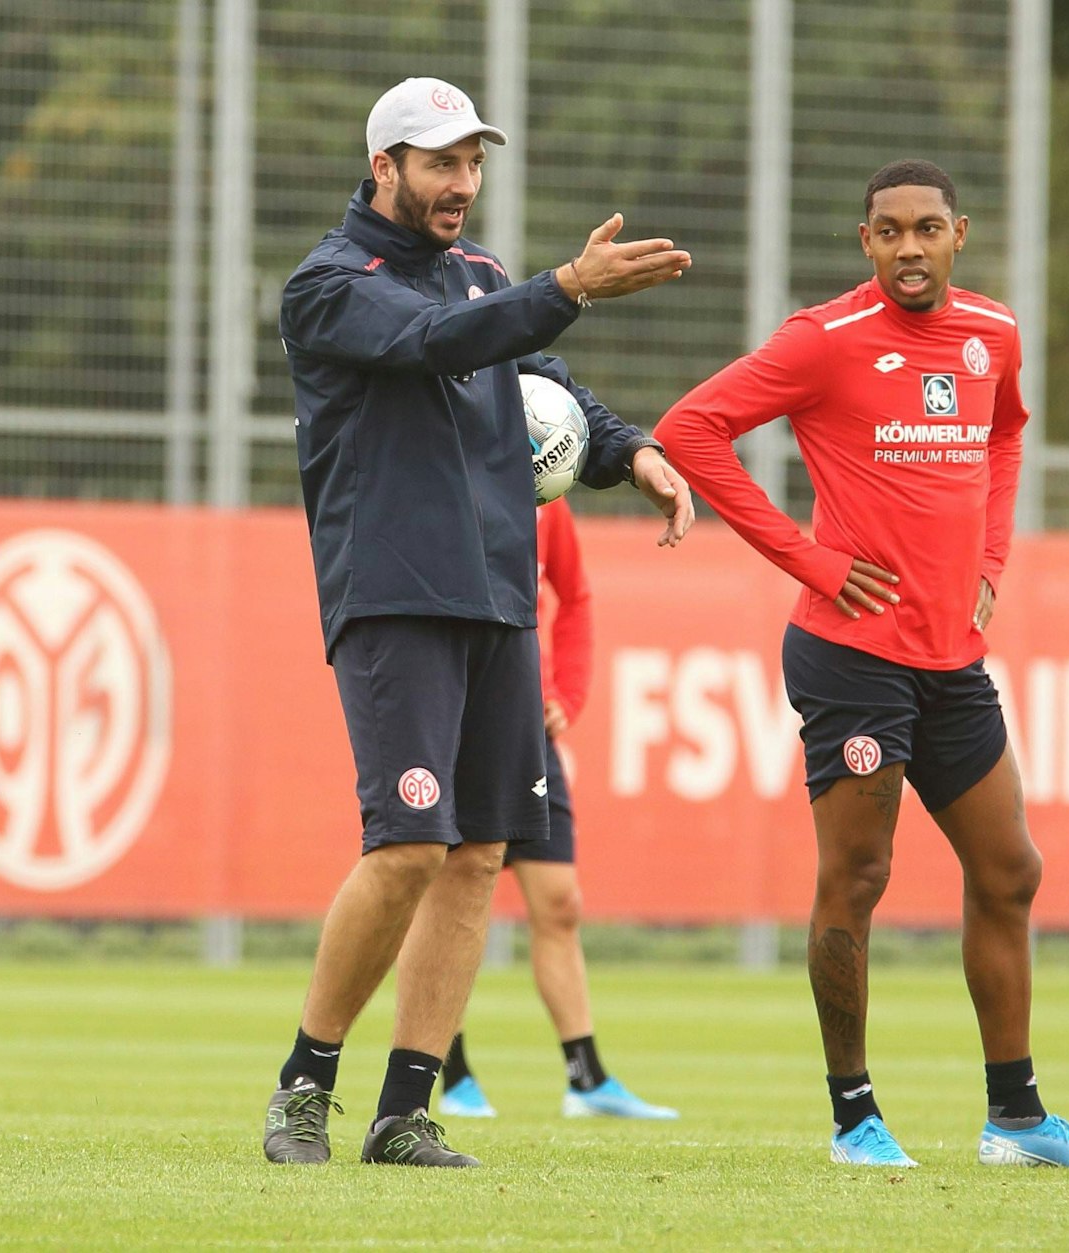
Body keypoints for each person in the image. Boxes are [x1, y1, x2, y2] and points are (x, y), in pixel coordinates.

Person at [654, 159, 1069, 1171]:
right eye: (887, 232)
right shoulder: (820, 341)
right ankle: (853, 1116)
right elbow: (688, 429)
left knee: (1010, 871)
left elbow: (1003, 437)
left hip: (948, 654)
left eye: (925, 229)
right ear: (863, 242)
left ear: (958, 233)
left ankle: (1014, 1118)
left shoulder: (991, 334)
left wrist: (990, 560)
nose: (907, 248)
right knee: (858, 875)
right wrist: (811, 558)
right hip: (847, 656)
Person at [267, 76, 694, 1169]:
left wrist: (626, 448)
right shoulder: (328, 284)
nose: (461, 183)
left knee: (478, 853)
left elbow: (538, 380)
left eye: (472, 163)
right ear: (384, 169)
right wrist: (568, 284)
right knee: (408, 842)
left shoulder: (485, 277)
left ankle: (404, 1110)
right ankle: (303, 1085)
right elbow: (437, 343)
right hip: (395, 594)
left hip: (501, 599)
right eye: (439, 162)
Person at [434, 497, 678, 1123]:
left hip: (527, 727)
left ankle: (585, 1077)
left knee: (561, 902)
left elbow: (575, 595)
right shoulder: (441, 474)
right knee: (453, 892)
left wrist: (566, 691)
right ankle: (450, 1074)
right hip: (455, 717)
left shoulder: (548, 487)